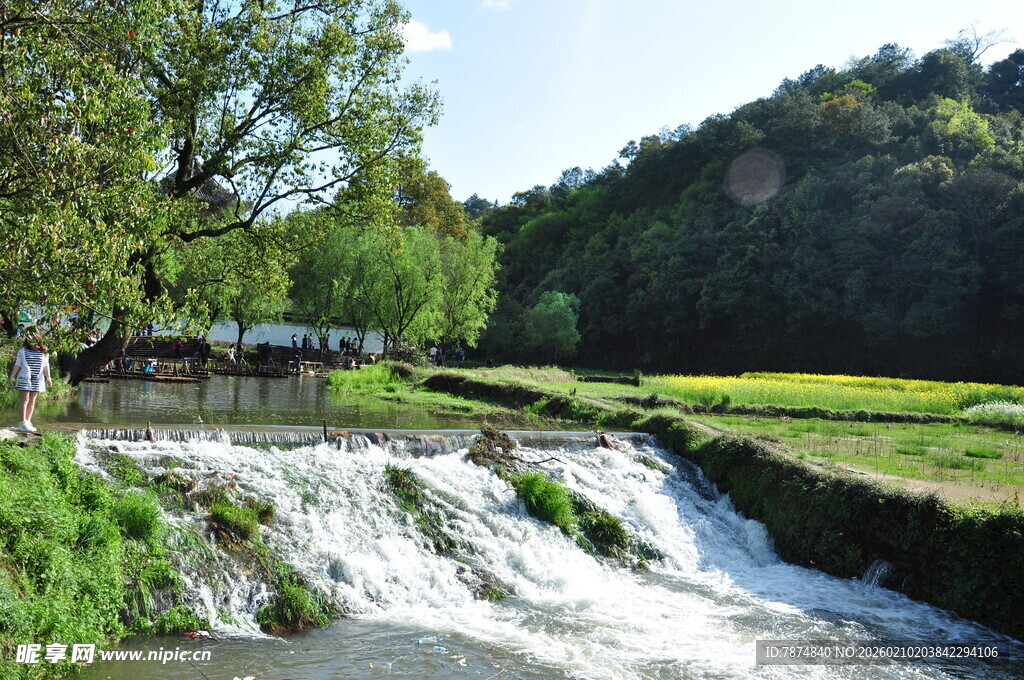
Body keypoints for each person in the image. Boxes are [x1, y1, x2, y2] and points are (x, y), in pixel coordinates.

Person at [7, 328, 52, 433]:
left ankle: (28, 421)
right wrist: (11, 377)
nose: (31, 340)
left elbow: (46, 366)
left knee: (32, 401)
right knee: (25, 400)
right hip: (24, 378)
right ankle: (22, 422)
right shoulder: (22, 351)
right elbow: (17, 365)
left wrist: (48, 378)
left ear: (38, 339)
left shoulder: (44, 352)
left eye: (33, 338)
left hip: (37, 379)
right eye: (29, 338)